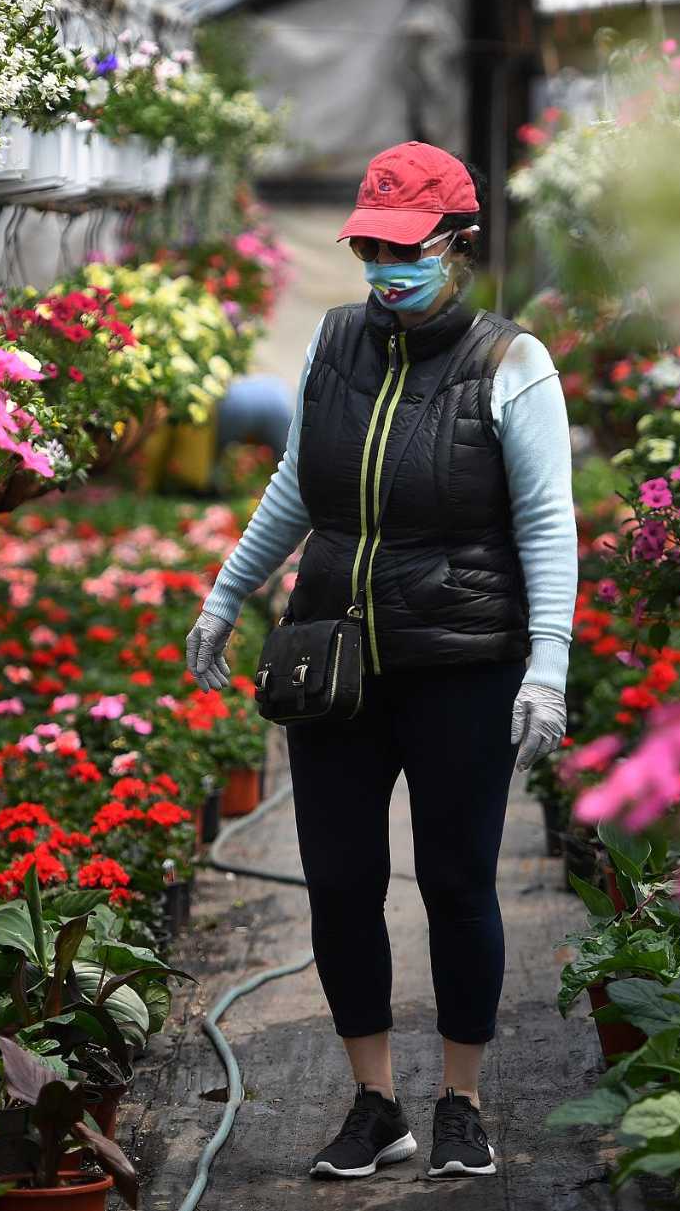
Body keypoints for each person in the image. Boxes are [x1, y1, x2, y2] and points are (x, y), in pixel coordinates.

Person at [183, 141, 575, 1181]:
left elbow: (546, 524)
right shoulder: (332, 341)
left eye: (405, 251)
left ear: (457, 244)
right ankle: (373, 1103)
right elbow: (296, 490)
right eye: (369, 248)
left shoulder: (508, 362)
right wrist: (226, 596)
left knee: (454, 881)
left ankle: (461, 1102)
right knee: (339, 882)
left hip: (460, 659)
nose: (383, 270)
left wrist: (548, 664)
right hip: (333, 658)